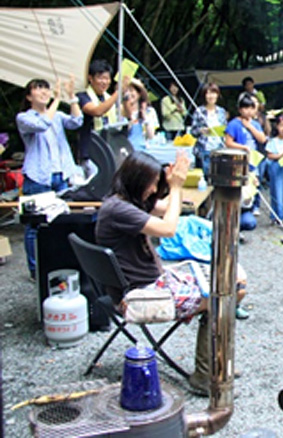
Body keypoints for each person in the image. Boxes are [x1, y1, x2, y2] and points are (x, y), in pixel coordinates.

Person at [95, 151, 248, 395]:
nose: (155, 188)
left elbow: (168, 206)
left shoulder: (123, 201)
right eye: (152, 183)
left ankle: (215, 362)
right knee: (225, 296)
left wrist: (172, 182)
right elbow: (168, 228)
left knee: (234, 286)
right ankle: (206, 375)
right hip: (140, 294)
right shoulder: (119, 210)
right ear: (136, 180)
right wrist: (176, 186)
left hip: (151, 282)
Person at [17, 77, 83, 279]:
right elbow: (42, 124)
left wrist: (71, 97)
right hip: (38, 177)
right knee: (34, 226)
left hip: (60, 176)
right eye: (39, 90)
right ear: (29, 96)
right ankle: (35, 270)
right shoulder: (24, 117)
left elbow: (77, 121)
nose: (44, 93)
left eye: (46, 89)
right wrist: (56, 99)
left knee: (60, 221)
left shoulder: (58, 115)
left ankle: (55, 265)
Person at [224, 94, 267, 226]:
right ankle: (234, 216)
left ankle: (251, 209)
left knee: (252, 186)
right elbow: (228, 142)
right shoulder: (233, 124)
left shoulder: (254, 123)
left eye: (251, 108)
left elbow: (262, 139)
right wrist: (243, 147)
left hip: (253, 161)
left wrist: (250, 127)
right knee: (238, 189)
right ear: (240, 109)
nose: (248, 111)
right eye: (245, 108)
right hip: (237, 162)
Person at [77, 59, 124, 168]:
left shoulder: (108, 97)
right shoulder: (83, 96)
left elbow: (124, 114)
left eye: (107, 78)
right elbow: (97, 111)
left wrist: (126, 98)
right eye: (100, 78)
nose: (104, 82)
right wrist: (117, 93)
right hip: (90, 150)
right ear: (90, 78)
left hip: (110, 147)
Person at [190, 82, 228, 177]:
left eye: (213, 93)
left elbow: (225, 130)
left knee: (218, 177)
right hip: (204, 149)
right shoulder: (199, 111)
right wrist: (201, 130)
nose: (211, 96)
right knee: (204, 178)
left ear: (217, 95)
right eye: (208, 93)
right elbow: (193, 131)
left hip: (219, 149)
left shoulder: (221, 111)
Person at [122, 80, 158, 151]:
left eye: (131, 90)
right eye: (127, 91)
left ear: (139, 94)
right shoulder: (121, 111)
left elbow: (151, 136)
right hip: (126, 150)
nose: (129, 94)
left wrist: (144, 116)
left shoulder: (149, 111)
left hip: (143, 150)